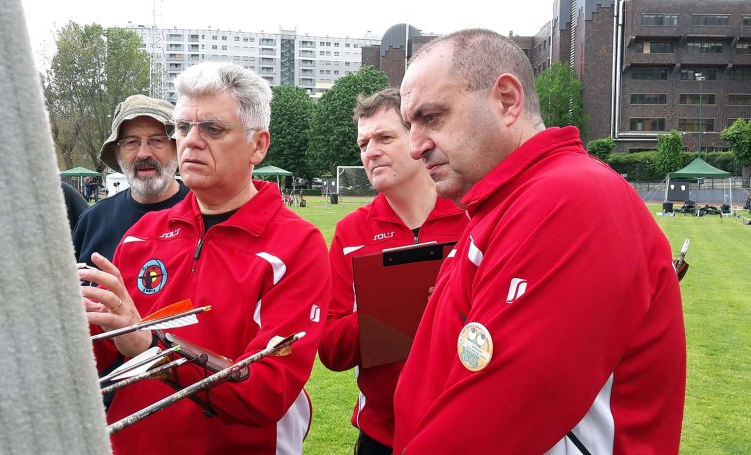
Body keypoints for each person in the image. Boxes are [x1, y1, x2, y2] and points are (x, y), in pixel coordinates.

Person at [393, 29, 686, 454]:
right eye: (410, 125)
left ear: (507, 100)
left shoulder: (571, 198)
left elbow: (496, 422)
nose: (415, 147)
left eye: (431, 117)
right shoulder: (507, 202)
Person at [80, 62, 330, 454]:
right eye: (182, 127)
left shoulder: (297, 245)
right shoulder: (142, 234)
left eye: (212, 129)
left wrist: (151, 347)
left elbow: (267, 391)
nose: (191, 141)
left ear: (258, 145)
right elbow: (97, 354)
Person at [318, 88, 467, 455]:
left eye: (384, 138)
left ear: (418, 139)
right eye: (363, 143)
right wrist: (389, 312)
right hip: (381, 437)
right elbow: (331, 350)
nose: (370, 151)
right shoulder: (351, 232)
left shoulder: (470, 218)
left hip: (463, 430)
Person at [71, 94, 190, 269]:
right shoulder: (93, 221)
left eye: (157, 140)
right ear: (117, 154)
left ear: (177, 148)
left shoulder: (206, 214)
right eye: (131, 142)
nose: (143, 154)